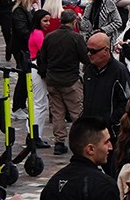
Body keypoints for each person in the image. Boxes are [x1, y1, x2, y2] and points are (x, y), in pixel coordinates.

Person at [39, 10, 93, 156]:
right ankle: (79, 142)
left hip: (53, 80)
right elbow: (85, 58)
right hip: (70, 80)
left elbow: (42, 58)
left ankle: (59, 142)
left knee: (57, 113)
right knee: (77, 113)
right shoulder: (76, 38)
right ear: (74, 21)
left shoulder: (49, 37)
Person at [82, 32, 130, 137]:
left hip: (110, 133)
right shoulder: (89, 69)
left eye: (93, 51)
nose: (89, 54)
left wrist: (111, 121)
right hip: (90, 129)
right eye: (87, 50)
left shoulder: (119, 71)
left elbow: (128, 102)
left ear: (106, 50)